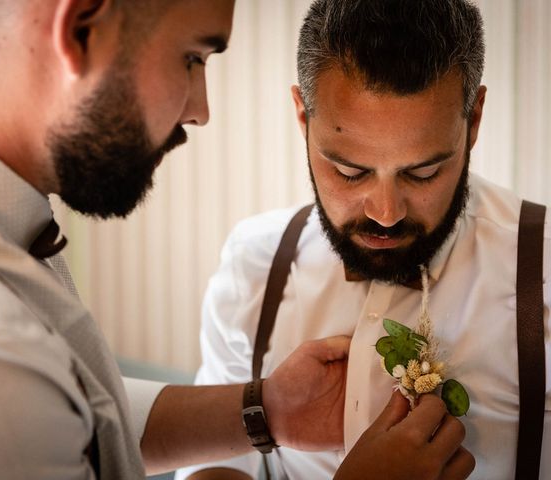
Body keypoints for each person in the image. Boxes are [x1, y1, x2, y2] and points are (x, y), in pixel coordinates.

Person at [0, 0, 473, 479]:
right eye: (192, 58)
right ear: (80, 27)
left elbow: (67, 414)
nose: (200, 110)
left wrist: (265, 411)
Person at [176, 0, 551, 479]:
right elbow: (218, 467)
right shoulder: (254, 264)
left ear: (473, 121)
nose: (386, 213)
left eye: (424, 172)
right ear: (302, 117)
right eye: (350, 171)